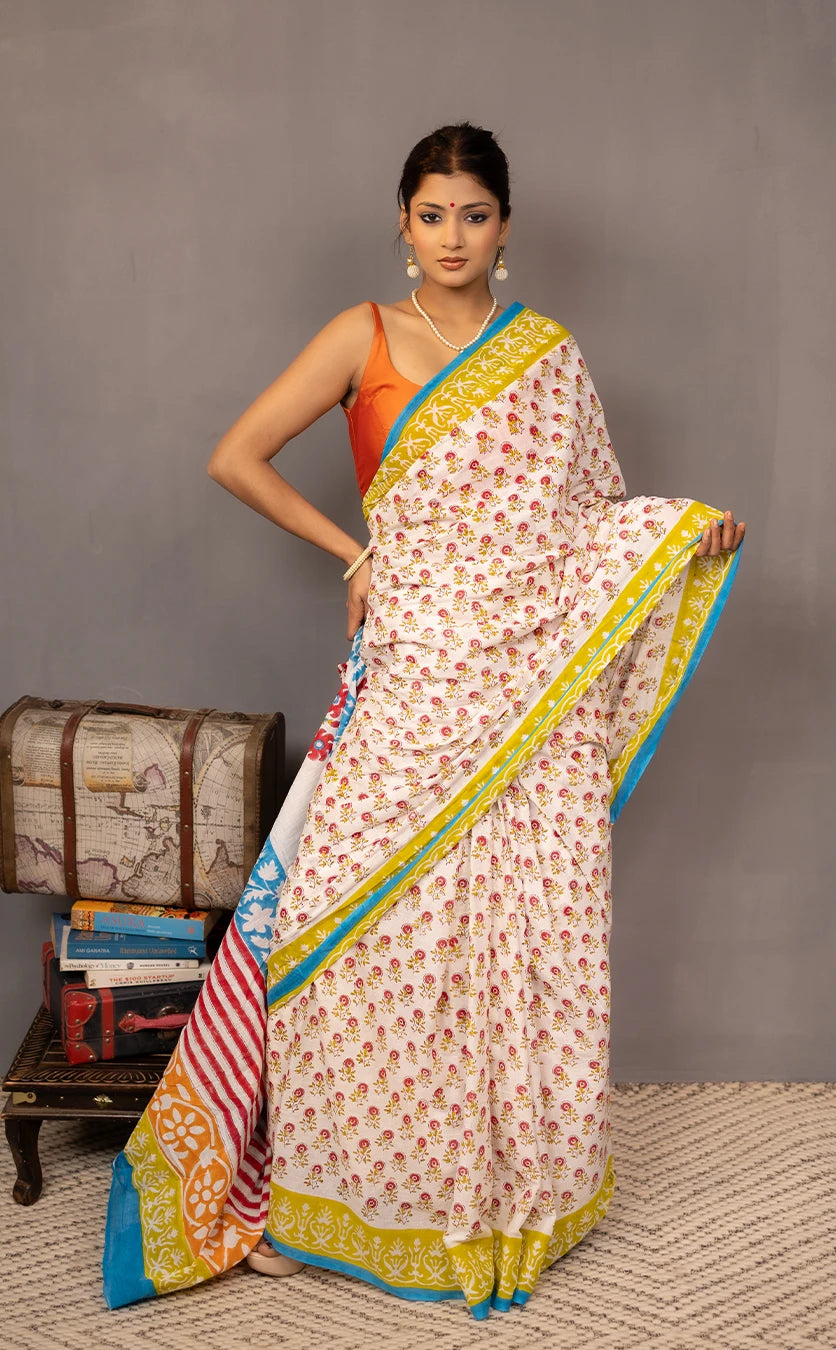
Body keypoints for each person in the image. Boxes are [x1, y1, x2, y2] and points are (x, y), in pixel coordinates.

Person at [102, 123, 746, 1320]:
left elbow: (583, 526)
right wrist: (360, 550)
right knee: (344, 916)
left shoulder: (547, 356)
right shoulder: (362, 333)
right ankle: (327, 1191)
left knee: (512, 930)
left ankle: (504, 1185)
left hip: (520, 684)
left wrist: (679, 535)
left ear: (507, 227)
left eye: (476, 215)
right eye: (433, 213)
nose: (454, 236)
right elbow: (237, 456)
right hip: (415, 661)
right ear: (401, 220)